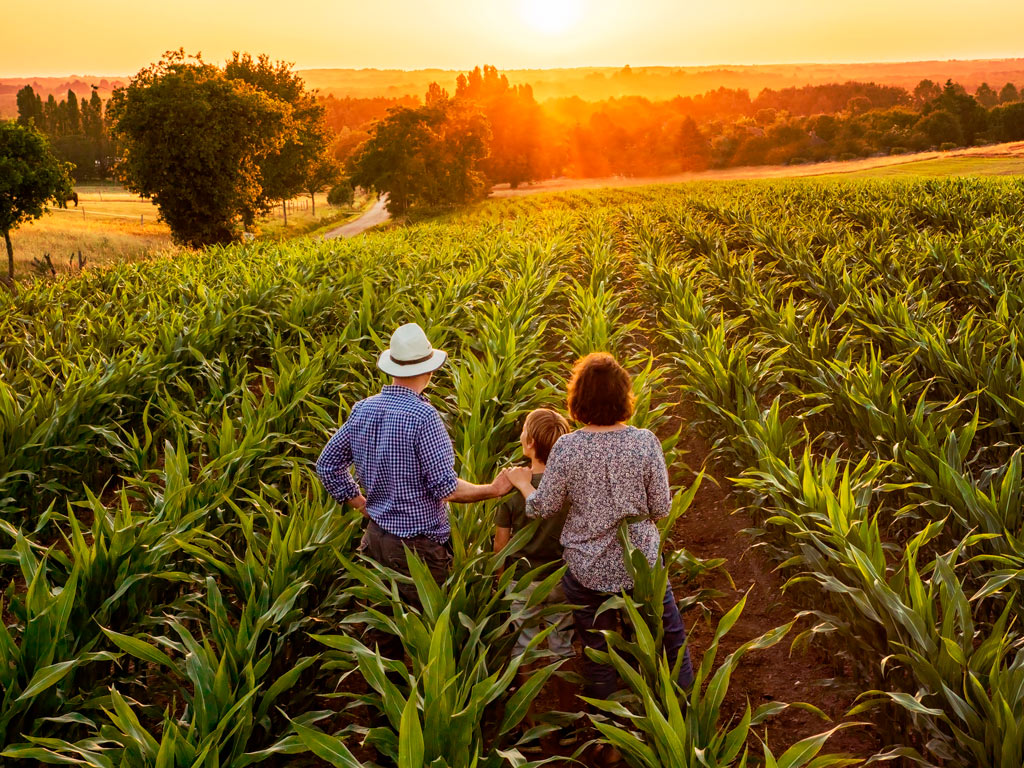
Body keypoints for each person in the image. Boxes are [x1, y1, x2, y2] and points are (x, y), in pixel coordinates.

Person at [506, 353, 695, 704]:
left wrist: (523, 486)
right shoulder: (645, 442)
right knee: (670, 637)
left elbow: (543, 507)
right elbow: (661, 508)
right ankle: (680, 715)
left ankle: (607, 734)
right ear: (624, 396)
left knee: (597, 650)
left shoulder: (568, 447)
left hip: (587, 571)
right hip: (641, 565)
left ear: (578, 399)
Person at [316, 322, 512, 656]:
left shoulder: (363, 408)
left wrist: (360, 503)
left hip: (374, 539)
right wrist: (492, 489)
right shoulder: (424, 417)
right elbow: (445, 488)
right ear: (430, 370)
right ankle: (423, 704)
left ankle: (384, 706)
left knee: (382, 635)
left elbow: (326, 465)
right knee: (429, 640)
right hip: (417, 550)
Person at [495, 408, 574, 661]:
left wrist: (500, 579)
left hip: (522, 581)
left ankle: (525, 700)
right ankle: (569, 701)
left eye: (523, 432)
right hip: (561, 578)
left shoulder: (511, 489)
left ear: (529, 443)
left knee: (522, 647)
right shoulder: (570, 486)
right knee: (561, 646)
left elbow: (501, 544)